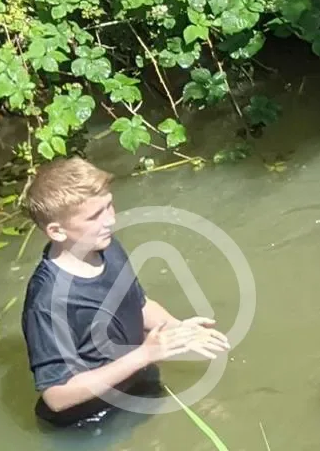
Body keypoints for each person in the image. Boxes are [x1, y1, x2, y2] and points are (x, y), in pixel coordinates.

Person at [20, 157, 231, 429]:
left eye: (109, 206)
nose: (110, 220)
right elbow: (57, 396)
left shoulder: (106, 247)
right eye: (95, 215)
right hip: (89, 422)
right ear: (57, 231)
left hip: (138, 385)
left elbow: (138, 305)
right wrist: (145, 354)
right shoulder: (47, 302)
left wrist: (178, 332)